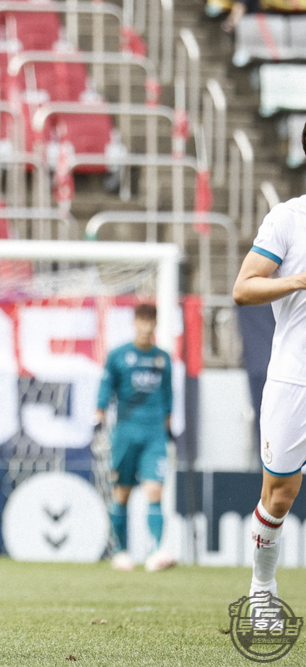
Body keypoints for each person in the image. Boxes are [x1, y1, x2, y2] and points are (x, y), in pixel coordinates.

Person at [233, 127, 306, 597]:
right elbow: (244, 288)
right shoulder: (288, 219)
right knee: (279, 496)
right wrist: (298, 280)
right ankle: (262, 588)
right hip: (295, 377)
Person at [94, 304, 176, 573]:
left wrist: (169, 425)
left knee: (155, 490)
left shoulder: (162, 358)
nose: (146, 326)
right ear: (134, 323)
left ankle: (156, 551)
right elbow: (106, 386)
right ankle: (120, 552)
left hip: (154, 434)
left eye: (151, 321)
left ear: (155, 324)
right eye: (142, 321)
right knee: (122, 492)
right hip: (125, 433)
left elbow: (168, 394)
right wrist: (99, 413)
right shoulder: (118, 355)